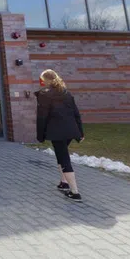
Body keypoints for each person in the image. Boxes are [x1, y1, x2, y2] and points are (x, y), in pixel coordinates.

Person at [36, 69, 85, 202]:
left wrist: (40, 135)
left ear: (45, 80)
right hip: (70, 130)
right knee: (61, 155)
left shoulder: (45, 95)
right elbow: (76, 113)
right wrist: (80, 132)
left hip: (57, 132)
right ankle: (64, 183)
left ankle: (75, 192)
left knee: (64, 158)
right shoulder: (66, 93)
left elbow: (42, 117)